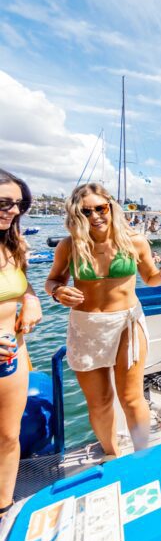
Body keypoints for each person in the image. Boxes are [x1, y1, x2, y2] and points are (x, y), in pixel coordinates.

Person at [45, 183, 161, 457]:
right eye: (86, 211)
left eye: (101, 208)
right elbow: (52, 280)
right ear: (76, 214)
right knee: (99, 402)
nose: (96, 215)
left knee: (131, 398)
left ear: (111, 207)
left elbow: (151, 279)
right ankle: (112, 455)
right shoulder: (69, 246)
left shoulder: (135, 241)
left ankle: (142, 457)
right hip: (86, 327)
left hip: (127, 325)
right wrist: (58, 292)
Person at [0, 170, 43, 520]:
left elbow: (21, 286)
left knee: (8, 437)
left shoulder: (13, 247)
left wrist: (31, 299)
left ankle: (3, 509)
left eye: (18, 204)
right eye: (3, 203)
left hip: (11, 355)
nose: (12, 211)